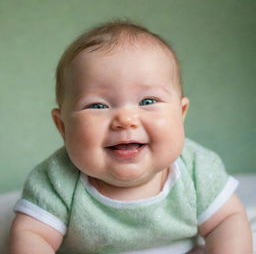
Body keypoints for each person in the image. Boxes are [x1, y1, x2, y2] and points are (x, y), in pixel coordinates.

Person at [9, 20, 252, 254]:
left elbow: (227, 221)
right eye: (97, 106)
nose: (126, 119)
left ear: (181, 113)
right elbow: (33, 235)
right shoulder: (57, 180)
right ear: (63, 127)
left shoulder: (197, 169)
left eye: (148, 101)